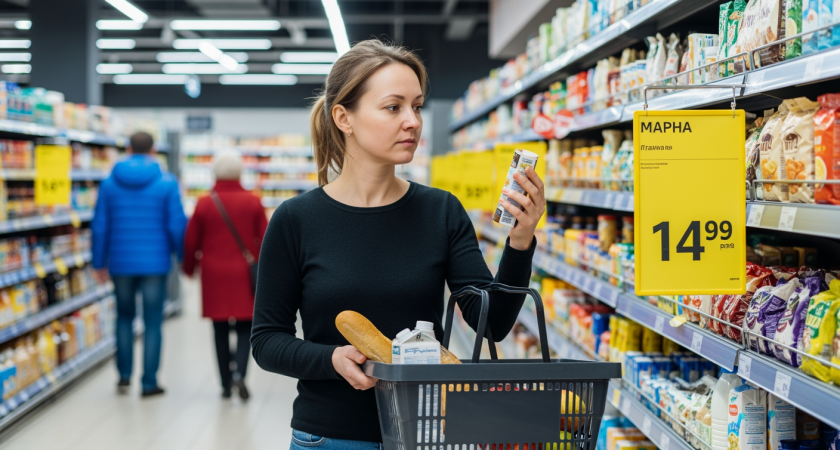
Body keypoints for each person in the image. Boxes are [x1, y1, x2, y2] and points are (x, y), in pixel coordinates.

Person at [251, 40, 546, 449]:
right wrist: (331, 359)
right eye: (394, 107)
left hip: (426, 432)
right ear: (344, 118)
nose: (413, 122)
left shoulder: (440, 211)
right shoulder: (296, 220)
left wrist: (520, 241)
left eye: (418, 106)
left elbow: (490, 324)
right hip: (331, 435)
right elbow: (267, 341)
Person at [91, 131, 187, 398]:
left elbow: (100, 226)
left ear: (128, 148)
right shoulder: (167, 183)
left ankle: (123, 377)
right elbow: (176, 225)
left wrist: (99, 262)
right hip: (155, 263)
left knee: (123, 318)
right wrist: (182, 257)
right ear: (154, 150)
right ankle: (148, 382)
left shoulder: (109, 183)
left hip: (120, 263)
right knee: (153, 322)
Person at [183, 150, 267, 400]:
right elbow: (265, 240)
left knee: (219, 329)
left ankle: (224, 383)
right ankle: (240, 374)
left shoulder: (205, 202)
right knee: (245, 328)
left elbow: (190, 241)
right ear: (240, 173)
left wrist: (188, 268)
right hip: (244, 272)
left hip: (213, 274)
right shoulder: (253, 201)